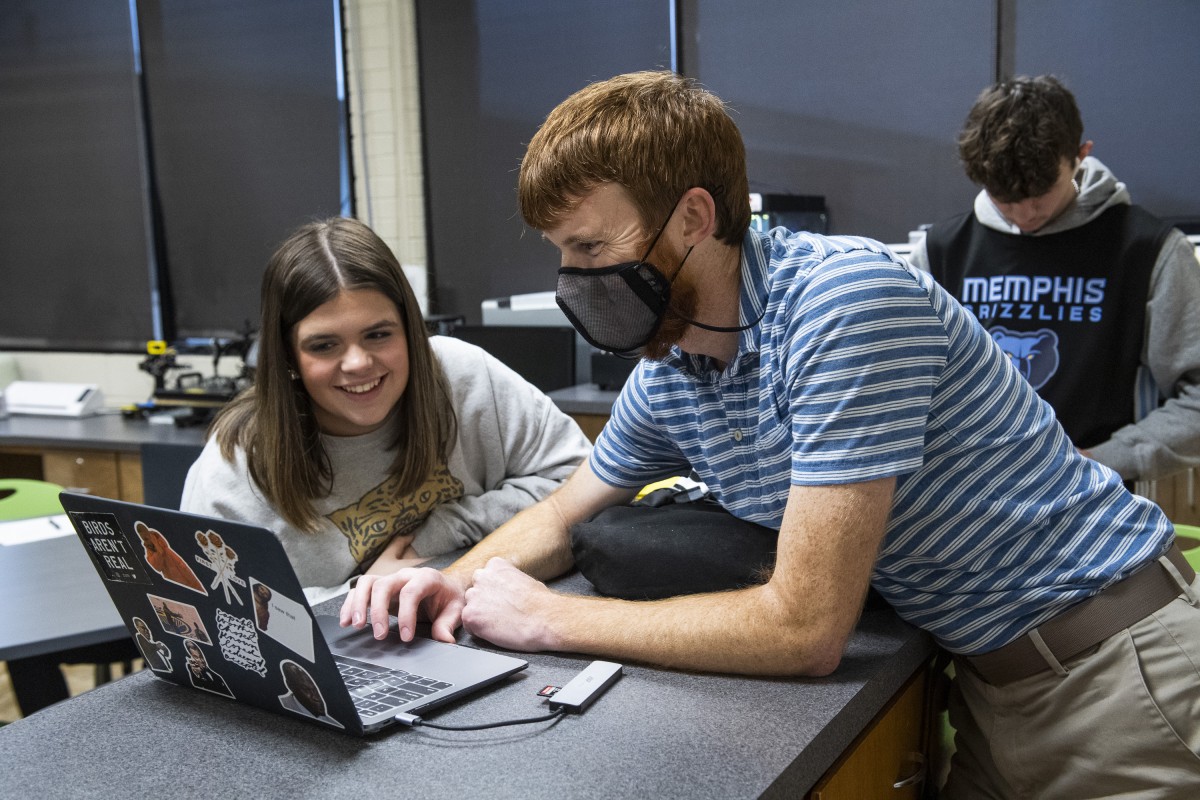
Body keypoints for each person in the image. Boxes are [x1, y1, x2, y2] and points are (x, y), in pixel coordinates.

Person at [341, 71, 1200, 796]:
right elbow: (569, 510)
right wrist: (456, 582)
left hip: (1118, 674)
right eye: (563, 254)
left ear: (692, 218)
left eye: (592, 247)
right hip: (987, 688)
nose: (576, 280)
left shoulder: (840, 306)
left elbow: (804, 628)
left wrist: (545, 623)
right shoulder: (674, 367)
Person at [181, 217, 591, 592]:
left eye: (379, 335)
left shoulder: (462, 376)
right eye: (324, 345)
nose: (358, 363)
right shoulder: (237, 465)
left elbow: (586, 482)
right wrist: (365, 591)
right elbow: (221, 615)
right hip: (336, 658)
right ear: (288, 356)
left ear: (410, 329)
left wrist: (440, 538)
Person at [907, 74, 1200, 483]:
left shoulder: (1150, 250)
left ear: (1081, 154)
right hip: (965, 496)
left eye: (1040, 196)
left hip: (1098, 498)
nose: (1024, 215)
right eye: (1004, 200)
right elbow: (905, 384)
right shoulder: (940, 251)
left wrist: (1103, 459)